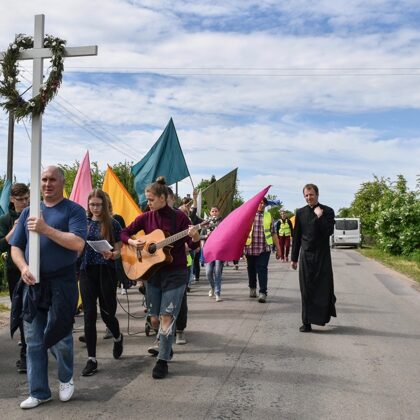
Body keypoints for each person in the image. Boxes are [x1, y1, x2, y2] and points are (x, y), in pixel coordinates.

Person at [10, 166, 87, 409]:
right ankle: (39, 392)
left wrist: (45, 229)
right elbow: (16, 247)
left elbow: (77, 243)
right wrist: (23, 267)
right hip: (33, 284)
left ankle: (65, 378)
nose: (47, 184)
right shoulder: (29, 212)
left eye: (52, 179)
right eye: (43, 179)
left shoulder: (74, 210)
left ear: (62, 183)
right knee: (33, 339)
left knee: (60, 337)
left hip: (62, 283)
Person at [120, 177, 200, 379]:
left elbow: (194, 245)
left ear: (163, 198)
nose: (148, 203)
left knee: (167, 316)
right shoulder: (145, 217)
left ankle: (162, 360)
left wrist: (195, 236)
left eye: (151, 199)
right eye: (147, 199)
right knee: (154, 319)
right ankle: (166, 345)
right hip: (153, 274)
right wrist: (133, 242)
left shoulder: (180, 218)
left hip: (176, 274)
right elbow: (123, 232)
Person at [79, 189, 124, 377]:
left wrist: (112, 254)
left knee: (107, 314)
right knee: (89, 314)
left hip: (106, 271)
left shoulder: (113, 224)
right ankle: (92, 359)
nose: (95, 208)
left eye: (98, 204)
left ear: (104, 205)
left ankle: (118, 337)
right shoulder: (83, 223)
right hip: (86, 271)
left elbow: (119, 250)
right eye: (92, 204)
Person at [291, 183, 337, 332]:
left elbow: (328, 231)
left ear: (317, 194)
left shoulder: (327, 211)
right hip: (306, 256)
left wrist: (320, 216)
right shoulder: (300, 212)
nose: (308, 197)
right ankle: (306, 322)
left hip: (322, 256)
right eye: (306, 195)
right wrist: (294, 258)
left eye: (311, 194)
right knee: (306, 290)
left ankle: (322, 316)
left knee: (323, 288)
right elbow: (297, 236)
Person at [0, 183, 30, 373]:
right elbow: (2, 245)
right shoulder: (5, 219)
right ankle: (25, 352)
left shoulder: (35, 214)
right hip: (14, 271)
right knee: (19, 310)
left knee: (35, 310)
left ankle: (33, 349)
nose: (24, 202)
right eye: (20, 199)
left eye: (27, 198)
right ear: (12, 199)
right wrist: (15, 229)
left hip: (35, 268)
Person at [244, 198, 281, 303]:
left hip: (264, 248)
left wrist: (278, 249)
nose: (261, 205)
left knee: (262, 269)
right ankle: (252, 287)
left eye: (263, 203)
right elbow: (242, 232)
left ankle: (263, 292)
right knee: (251, 269)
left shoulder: (269, 216)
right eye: (260, 203)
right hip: (250, 248)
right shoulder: (249, 215)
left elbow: (273, 233)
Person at [201, 206, 223, 301]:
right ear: (210, 212)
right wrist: (206, 236)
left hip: (219, 250)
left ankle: (218, 293)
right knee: (208, 272)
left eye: (216, 211)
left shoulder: (222, 223)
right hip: (209, 250)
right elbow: (200, 236)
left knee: (217, 271)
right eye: (213, 211)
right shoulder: (206, 223)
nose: (214, 213)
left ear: (218, 212)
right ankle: (213, 287)